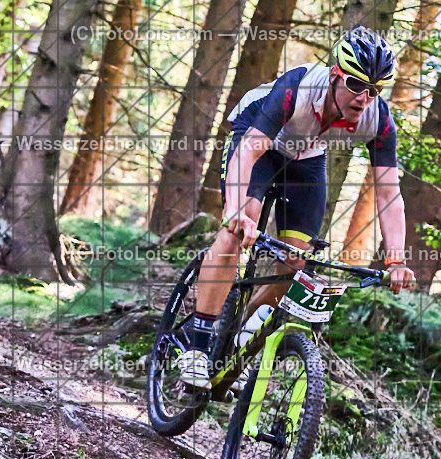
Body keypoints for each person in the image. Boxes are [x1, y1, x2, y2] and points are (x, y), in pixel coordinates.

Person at [176, 26, 416, 389]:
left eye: (374, 90)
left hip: (306, 159)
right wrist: (237, 208)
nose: (364, 97)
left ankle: (235, 351)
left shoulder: (378, 119)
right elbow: (251, 149)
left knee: (296, 260)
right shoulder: (298, 88)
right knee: (240, 226)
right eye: (355, 84)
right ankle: (196, 346)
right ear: (336, 75)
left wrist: (396, 259)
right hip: (258, 141)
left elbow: (388, 193)